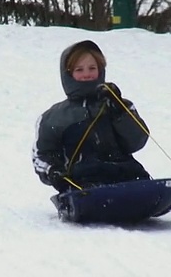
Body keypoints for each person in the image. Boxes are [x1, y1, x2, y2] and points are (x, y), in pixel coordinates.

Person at [32, 40, 151, 193]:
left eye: (92, 68)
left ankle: (141, 192)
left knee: (136, 182)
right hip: (82, 182)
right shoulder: (54, 117)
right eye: (79, 69)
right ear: (68, 74)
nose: (86, 74)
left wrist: (119, 110)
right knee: (90, 184)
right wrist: (53, 171)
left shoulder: (118, 105)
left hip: (126, 174)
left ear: (100, 70)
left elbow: (137, 141)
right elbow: (42, 154)